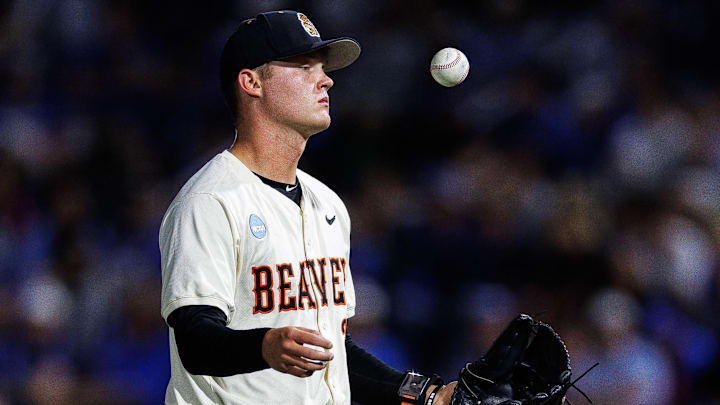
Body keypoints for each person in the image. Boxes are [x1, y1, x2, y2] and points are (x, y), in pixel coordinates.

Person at [159, 10, 456, 405]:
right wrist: (264, 346)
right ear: (251, 82)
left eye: (323, 68)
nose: (326, 79)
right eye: (303, 66)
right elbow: (195, 341)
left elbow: (331, 350)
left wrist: (426, 394)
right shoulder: (210, 202)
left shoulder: (328, 204)